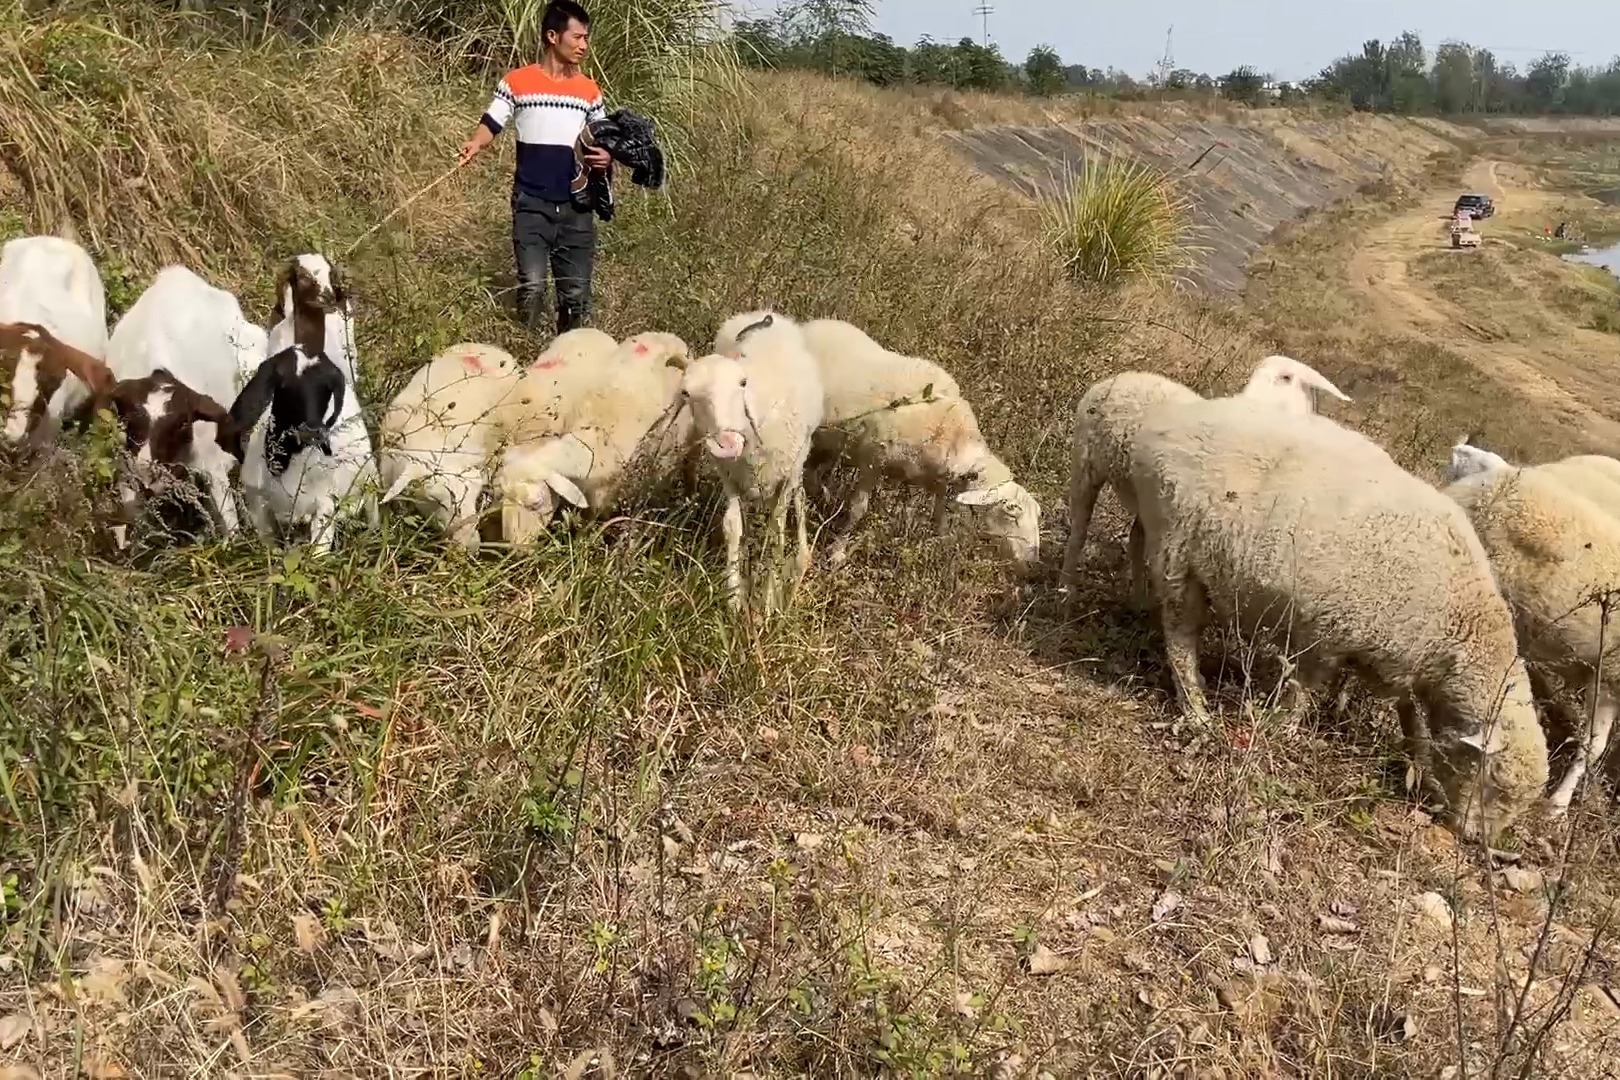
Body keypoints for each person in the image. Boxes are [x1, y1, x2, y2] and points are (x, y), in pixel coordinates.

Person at [459, 0, 612, 334]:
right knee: (532, 286)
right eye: (578, 37)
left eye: (587, 38)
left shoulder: (589, 91)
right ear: (553, 36)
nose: (584, 45)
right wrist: (475, 143)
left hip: (576, 206)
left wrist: (606, 157)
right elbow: (492, 121)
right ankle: (523, 357)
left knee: (576, 296)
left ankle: (568, 363)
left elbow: (604, 138)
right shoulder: (518, 82)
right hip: (531, 202)